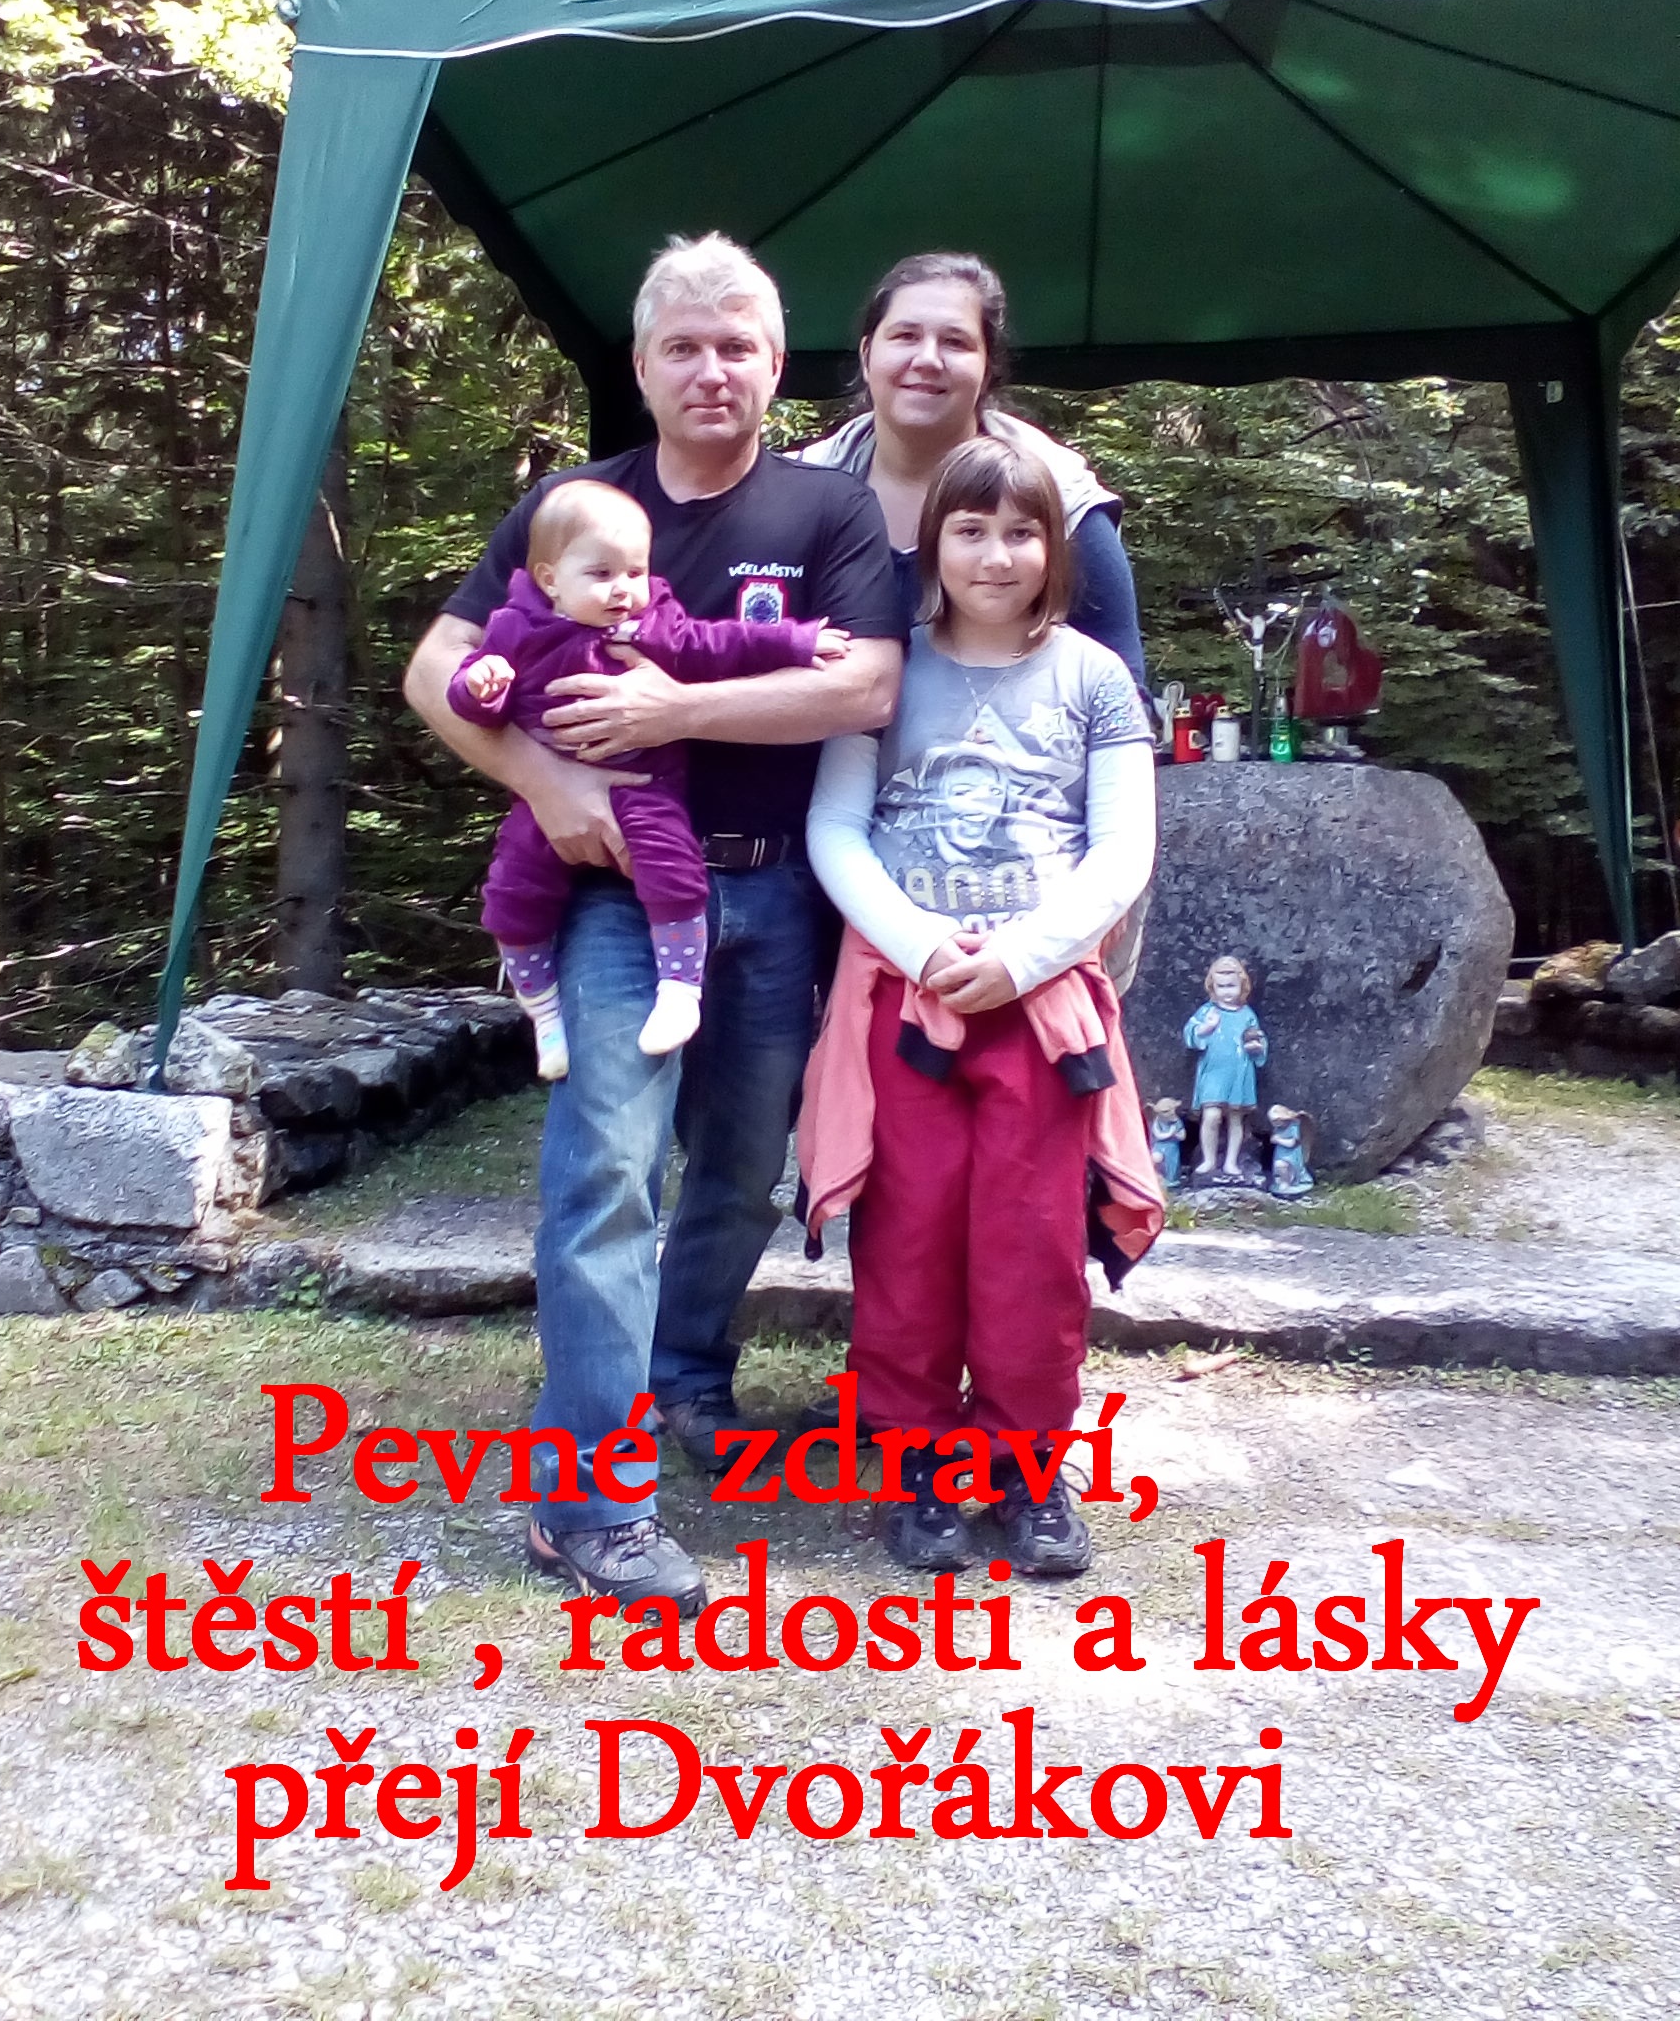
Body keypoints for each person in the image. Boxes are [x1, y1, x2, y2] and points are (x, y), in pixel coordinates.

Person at [403, 234, 900, 1616]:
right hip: (612, 899)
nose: (711, 370)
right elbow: (438, 666)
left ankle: (683, 1379)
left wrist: (677, 709)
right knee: (610, 1171)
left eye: (738, 346)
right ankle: (589, 1509)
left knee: (741, 1171)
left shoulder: (829, 514)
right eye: (683, 346)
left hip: (779, 889)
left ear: (776, 364)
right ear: (641, 364)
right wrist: (545, 780)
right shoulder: (577, 507)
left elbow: (864, 686)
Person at [800, 435, 1160, 1576]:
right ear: (933, 544)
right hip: (905, 1003)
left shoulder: (1095, 679)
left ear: (1055, 547)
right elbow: (836, 829)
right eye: (970, 530)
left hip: (1045, 1012)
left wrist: (1023, 957)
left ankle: (1025, 1467)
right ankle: (917, 1462)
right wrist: (919, 946)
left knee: (1031, 1240)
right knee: (907, 1237)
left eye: (1020, 532)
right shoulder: (885, 670)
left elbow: (1123, 850)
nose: (995, 556)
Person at [447, 476, 848, 1077]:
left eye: (635, 572)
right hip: (548, 796)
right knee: (513, 893)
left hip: (642, 785)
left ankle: (680, 991)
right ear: (551, 579)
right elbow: (475, 698)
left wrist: (796, 641)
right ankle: (544, 1012)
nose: (623, 589)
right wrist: (480, 688)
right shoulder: (515, 629)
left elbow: (721, 643)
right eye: (601, 574)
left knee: (673, 867)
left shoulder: (653, 625)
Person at [800, 250, 1148, 690]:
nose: (928, 359)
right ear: (868, 354)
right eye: (905, 335)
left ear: (988, 368)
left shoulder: (1059, 496)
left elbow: (1122, 692)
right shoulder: (800, 493)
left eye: (955, 342)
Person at [1185, 954, 1268, 1179]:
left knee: (1235, 1118)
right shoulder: (1208, 1012)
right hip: (1213, 1072)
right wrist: (1206, 1028)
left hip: (1238, 1072)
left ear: (1242, 986)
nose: (1226, 992)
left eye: (1231, 986)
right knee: (1211, 1115)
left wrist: (1256, 1047)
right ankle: (1209, 1159)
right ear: (1213, 987)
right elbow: (1190, 1033)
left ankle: (1231, 1161)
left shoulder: (1246, 1015)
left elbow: (1258, 1038)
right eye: (1221, 987)